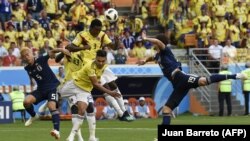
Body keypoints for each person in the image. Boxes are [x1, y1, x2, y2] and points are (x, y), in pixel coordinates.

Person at [137, 32, 247, 125]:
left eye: (156, 42)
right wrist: (145, 61)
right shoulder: (158, 55)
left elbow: (158, 42)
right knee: (166, 110)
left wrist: (146, 38)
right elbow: (153, 57)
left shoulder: (166, 51)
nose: (155, 45)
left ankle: (236, 76)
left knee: (204, 81)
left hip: (181, 77)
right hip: (177, 85)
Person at [66, 19, 134, 122]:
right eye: (96, 30)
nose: (98, 32)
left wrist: (117, 41)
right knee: (105, 87)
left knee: (113, 85)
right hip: (90, 66)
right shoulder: (82, 35)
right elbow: (70, 47)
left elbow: (114, 47)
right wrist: (84, 47)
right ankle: (120, 113)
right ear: (91, 28)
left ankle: (124, 111)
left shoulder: (102, 35)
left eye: (99, 30)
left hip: (101, 63)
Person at [59, 50, 121, 141]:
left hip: (84, 90)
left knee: (82, 110)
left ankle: (72, 136)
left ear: (106, 60)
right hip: (74, 84)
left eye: (103, 61)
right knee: (56, 96)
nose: (100, 63)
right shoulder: (90, 66)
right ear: (95, 58)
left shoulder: (104, 67)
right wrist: (110, 92)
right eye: (98, 61)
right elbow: (96, 84)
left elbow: (101, 81)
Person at [20, 47, 70, 139]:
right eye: (24, 56)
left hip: (52, 87)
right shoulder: (26, 68)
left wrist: (62, 50)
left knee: (52, 107)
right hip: (41, 90)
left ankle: (56, 130)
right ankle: (34, 116)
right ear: (23, 58)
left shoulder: (41, 59)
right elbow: (31, 75)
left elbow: (51, 51)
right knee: (26, 102)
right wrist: (31, 81)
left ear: (32, 54)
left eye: (28, 54)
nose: (26, 57)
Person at [55, 51, 98, 141]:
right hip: (71, 84)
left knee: (90, 107)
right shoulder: (70, 55)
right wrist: (63, 50)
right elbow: (58, 59)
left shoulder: (87, 58)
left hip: (83, 86)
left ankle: (92, 137)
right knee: (75, 109)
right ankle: (79, 137)